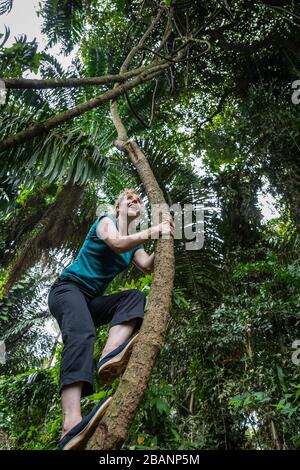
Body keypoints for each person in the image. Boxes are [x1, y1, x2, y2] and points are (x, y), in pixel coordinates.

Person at [47, 188, 174, 450]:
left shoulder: (135, 244)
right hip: (68, 290)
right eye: (129, 198)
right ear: (118, 208)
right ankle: (70, 424)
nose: (135, 200)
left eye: (138, 200)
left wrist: (168, 236)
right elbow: (116, 243)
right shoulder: (107, 221)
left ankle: (110, 354)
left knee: (135, 298)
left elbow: (148, 264)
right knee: (82, 335)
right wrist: (155, 230)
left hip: (90, 301)